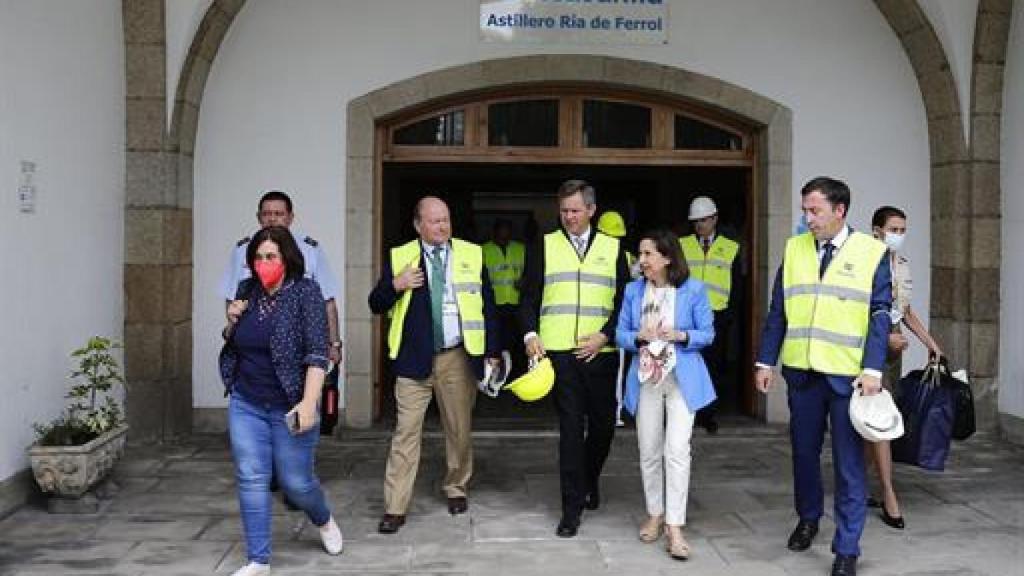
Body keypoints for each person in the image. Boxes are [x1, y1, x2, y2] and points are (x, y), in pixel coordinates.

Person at [755, 177, 891, 576]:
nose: (807, 218)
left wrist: (872, 369)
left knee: (849, 464)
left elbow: (879, 314)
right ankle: (809, 518)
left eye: (815, 210)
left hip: (849, 378)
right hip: (802, 374)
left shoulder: (871, 252)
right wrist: (766, 362)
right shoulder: (794, 248)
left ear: (840, 210)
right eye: (805, 210)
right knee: (803, 454)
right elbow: (778, 310)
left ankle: (847, 547)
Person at [368, 196, 501, 534]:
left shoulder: (472, 253)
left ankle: (456, 486)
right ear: (418, 225)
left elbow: (488, 305)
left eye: (446, 219)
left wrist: (493, 350)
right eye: (434, 220)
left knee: (459, 429)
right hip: (413, 360)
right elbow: (376, 302)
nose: (442, 226)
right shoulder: (401, 256)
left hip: (457, 356)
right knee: (405, 434)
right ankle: (395, 507)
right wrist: (396, 285)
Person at [219, 226, 343, 576]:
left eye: (270, 256)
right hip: (247, 399)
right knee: (251, 476)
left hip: (290, 402)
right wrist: (231, 323)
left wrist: (308, 403)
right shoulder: (247, 291)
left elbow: (318, 353)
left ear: (287, 258)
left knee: (296, 482)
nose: (263, 263)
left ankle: (322, 518)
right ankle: (258, 560)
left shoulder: (306, 293)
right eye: (257, 257)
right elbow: (236, 338)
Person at [519, 179, 630, 538]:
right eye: (564, 210)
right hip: (560, 355)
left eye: (575, 210)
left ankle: (588, 480)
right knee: (569, 430)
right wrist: (531, 334)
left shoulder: (614, 249)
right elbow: (528, 297)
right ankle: (571, 508)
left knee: (602, 427)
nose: (568, 217)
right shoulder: (545, 245)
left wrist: (606, 335)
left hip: (602, 354)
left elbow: (625, 303)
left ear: (591, 210)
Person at [615, 228, 716, 561]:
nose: (641, 261)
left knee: (677, 450)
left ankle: (675, 525)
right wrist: (638, 337)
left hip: (682, 379)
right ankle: (655, 513)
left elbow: (708, 333)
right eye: (640, 254)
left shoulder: (694, 290)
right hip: (645, 379)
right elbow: (620, 334)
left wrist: (681, 334)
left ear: (667, 257)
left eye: (648, 254)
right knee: (648, 449)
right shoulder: (633, 291)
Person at [866, 205, 943, 530]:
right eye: (893, 229)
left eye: (902, 230)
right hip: (872, 351)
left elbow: (905, 311)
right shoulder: (866, 264)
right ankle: (888, 493)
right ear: (876, 230)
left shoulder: (902, 265)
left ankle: (863, 484)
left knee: (875, 422)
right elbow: (863, 314)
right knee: (879, 424)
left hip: (894, 350)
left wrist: (931, 343)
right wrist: (885, 342)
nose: (899, 235)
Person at [221, 191, 343, 368]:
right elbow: (231, 297)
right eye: (266, 214)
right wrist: (233, 335)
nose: (272, 219)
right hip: (253, 349)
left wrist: (334, 344)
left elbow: (328, 302)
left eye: (278, 214)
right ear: (258, 217)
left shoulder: (310, 250)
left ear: (290, 217)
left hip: (298, 348)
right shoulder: (242, 250)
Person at [679, 196, 740, 434]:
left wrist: (730, 315)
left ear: (715, 219)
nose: (700, 226)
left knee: (713, 368)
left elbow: (737, 285)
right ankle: (689, 413)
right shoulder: (682, 245)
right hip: (687, 317)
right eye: (696, 222)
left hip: (717, 317)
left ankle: (709, 414)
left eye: (704, 220)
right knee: (688, 366)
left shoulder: (730, 247)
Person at [596, 210, 639, 427]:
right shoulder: (626, 257)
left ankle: (618, 411)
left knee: (620, 370)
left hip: (620, 322)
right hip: (603, 322)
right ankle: (613, 411)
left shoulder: (628, 259)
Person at [482, 219, 526, 379]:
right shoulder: (483, 250)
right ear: (494, 234)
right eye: (501, 236)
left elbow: (530, 274)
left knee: (516, 342)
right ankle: (496, 375)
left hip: (516, 303)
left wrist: (525, 282)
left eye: (507, 236)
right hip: (494, 304)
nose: (504, 239)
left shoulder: (520, 249)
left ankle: (514, 375)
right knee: (496, 342)